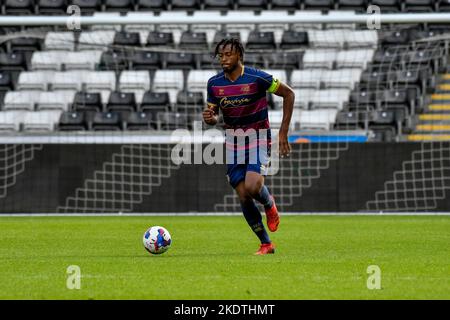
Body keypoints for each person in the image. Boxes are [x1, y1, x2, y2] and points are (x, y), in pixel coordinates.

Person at [203, 38, 294, 255]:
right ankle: (266, 244)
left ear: (239, 56)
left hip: (258, 136)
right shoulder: (214, 84)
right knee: (243, 194)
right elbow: (213, 116)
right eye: (221, 55)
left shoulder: (258, 78)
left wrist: (283, 132)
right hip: (233, 140)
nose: (224, 59)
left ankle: (269, 203)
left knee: (253, 186)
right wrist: (210, 118)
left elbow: (289, 94)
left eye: (228, 54)